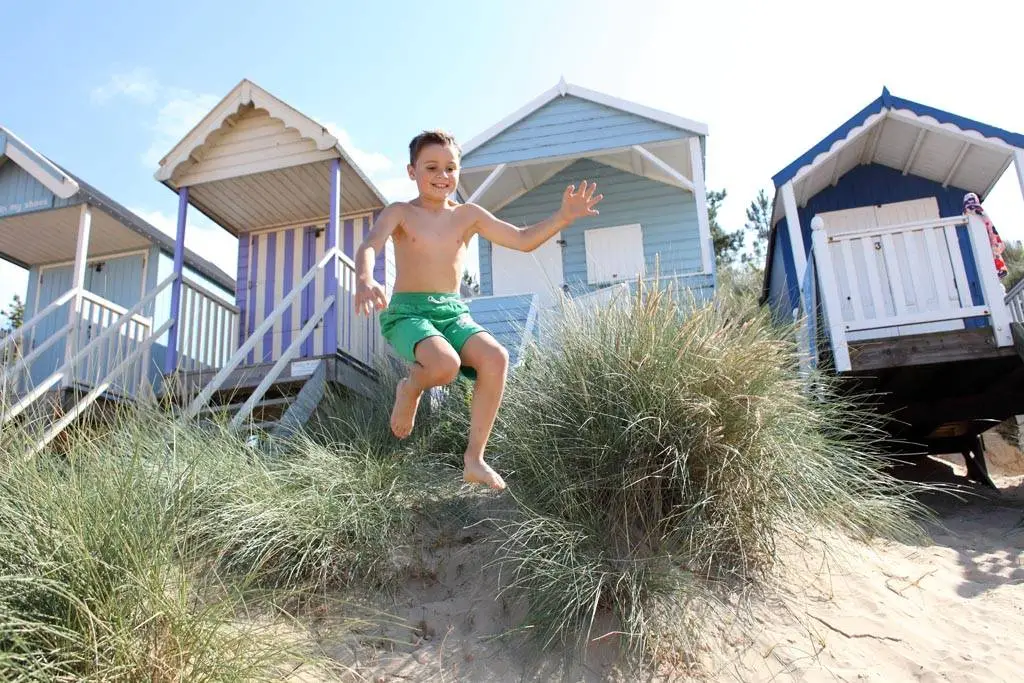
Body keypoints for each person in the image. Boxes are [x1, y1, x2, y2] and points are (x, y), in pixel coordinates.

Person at [354, 130, 603, 490]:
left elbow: (520, 239)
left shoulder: (468, 215)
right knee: (444, 366)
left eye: (450, 168)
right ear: (412, 172)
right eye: (432, 168)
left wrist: (562, 218)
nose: (443, 176)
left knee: (496, 357)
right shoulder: (401, 213)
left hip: (453, 312)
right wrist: (365, 279)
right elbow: (370, 244)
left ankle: (474, 459)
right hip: (409, 312)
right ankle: (410, 388)